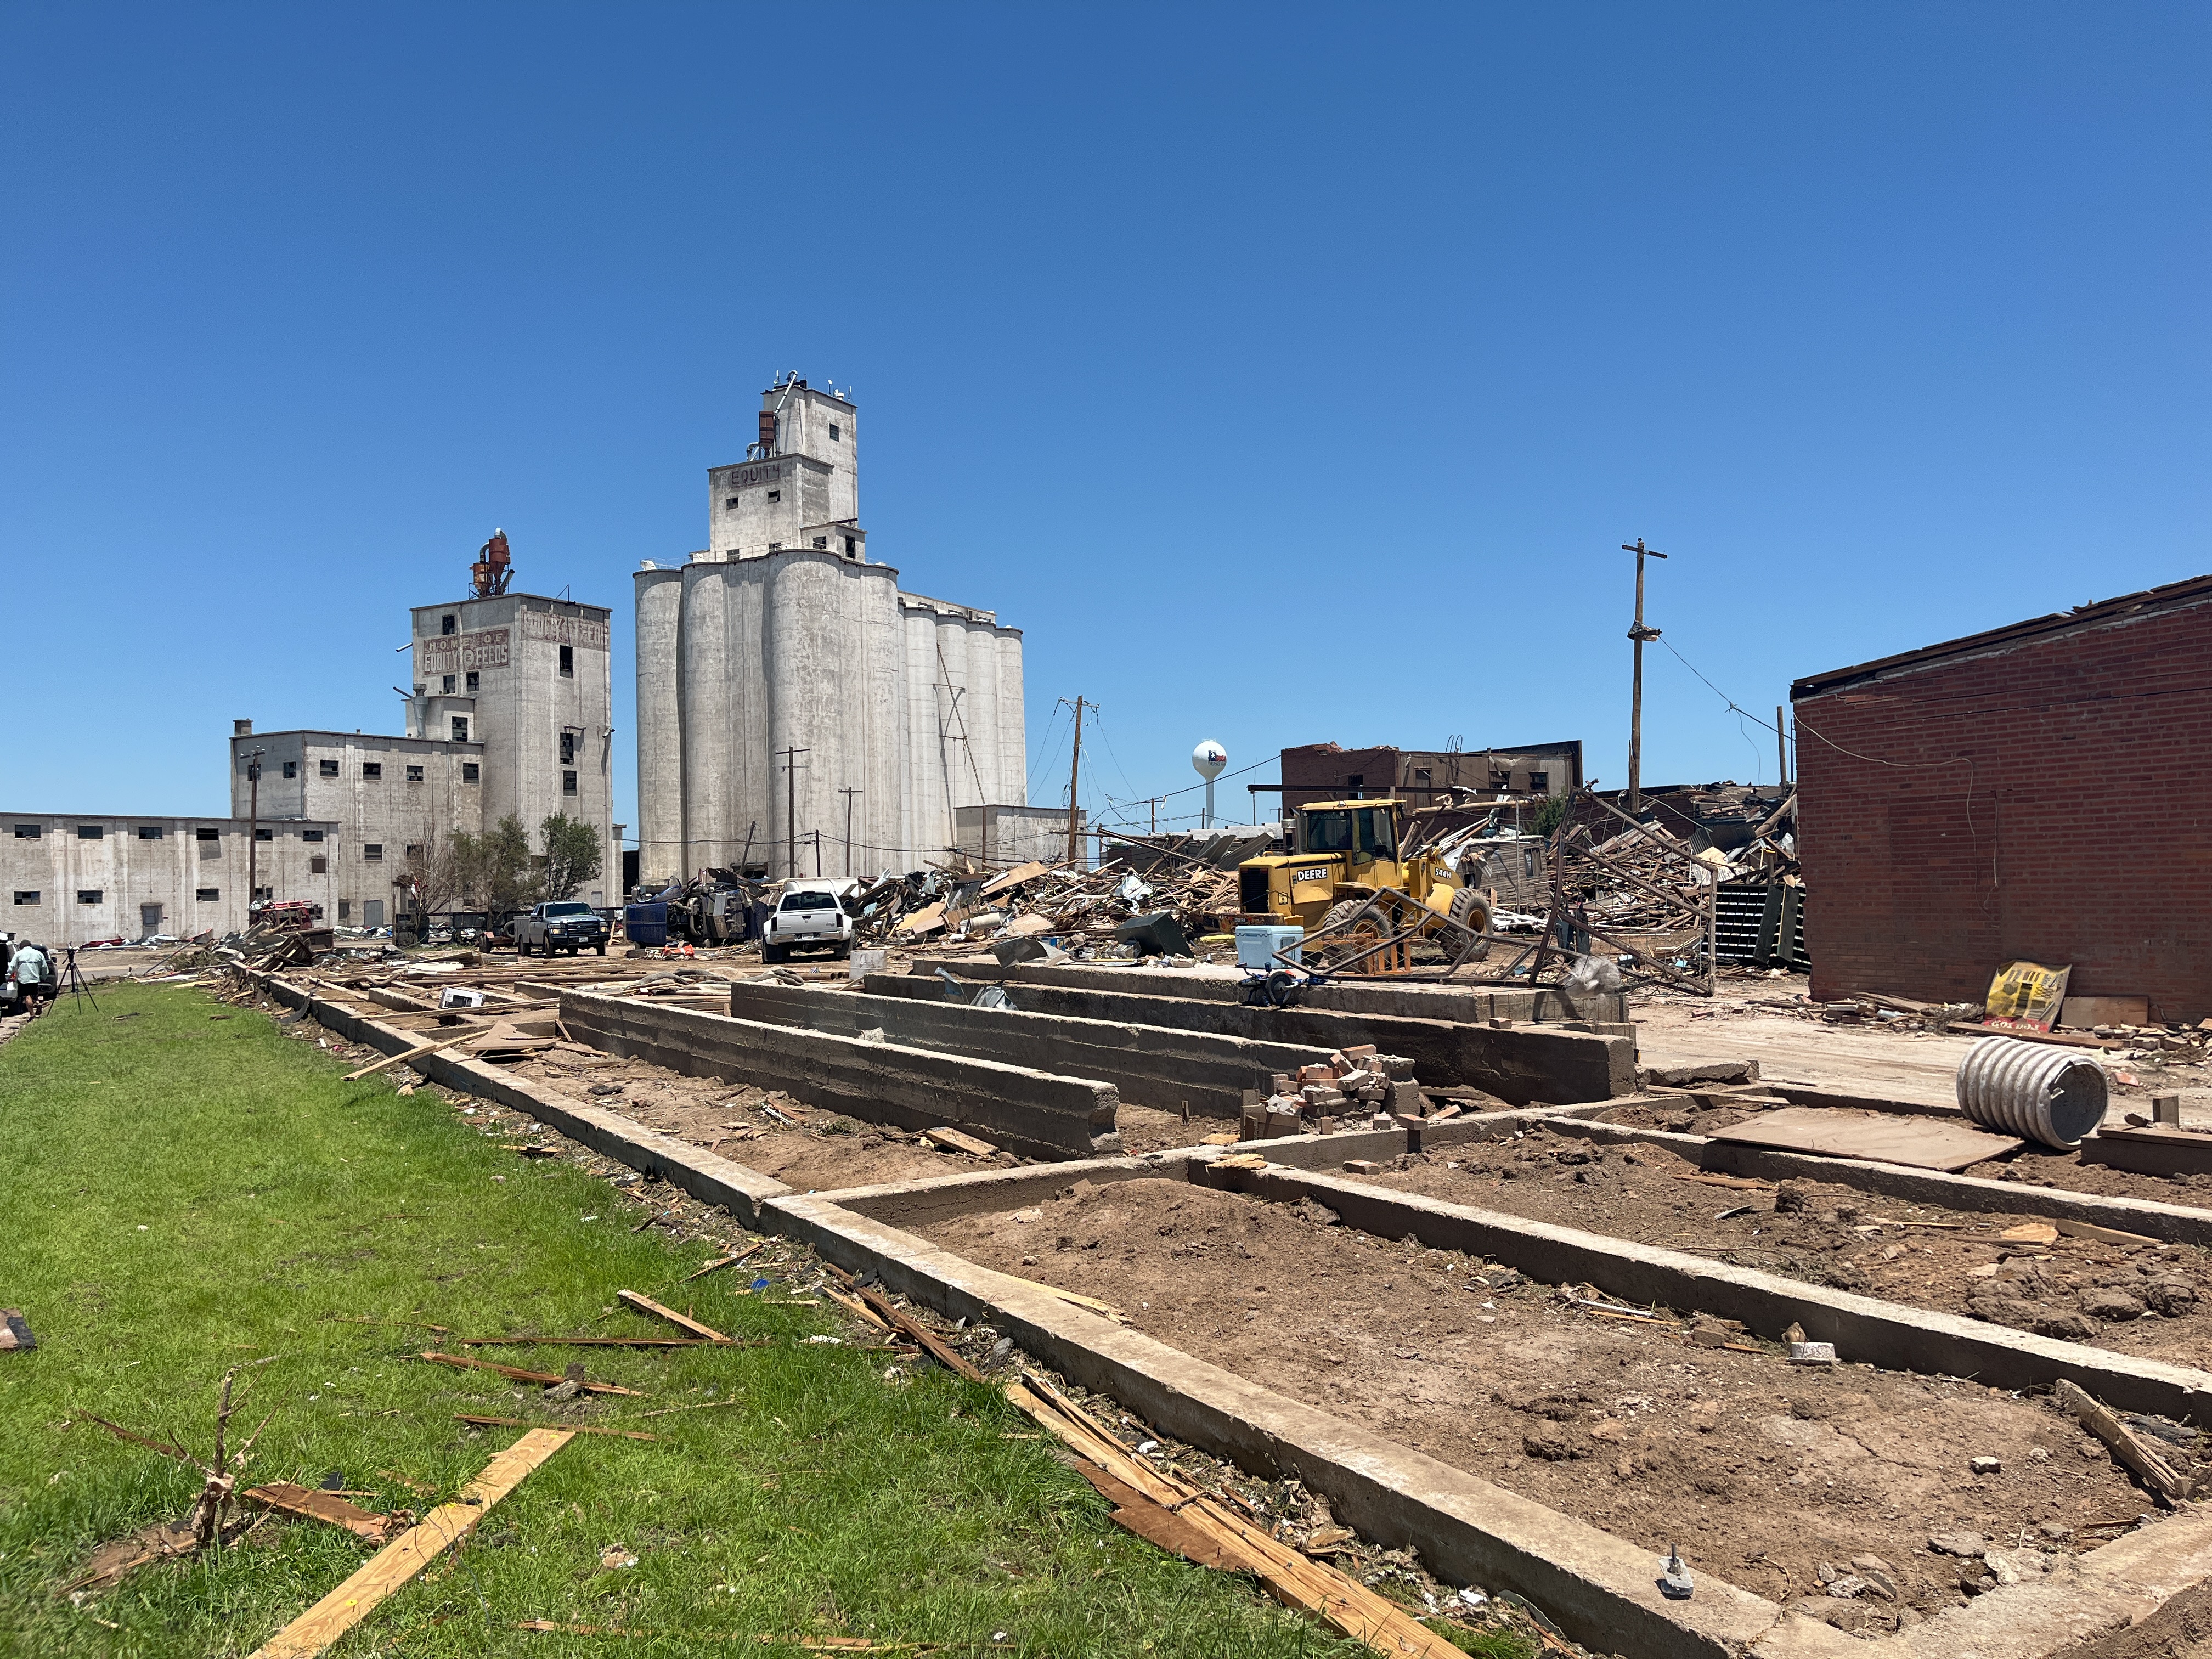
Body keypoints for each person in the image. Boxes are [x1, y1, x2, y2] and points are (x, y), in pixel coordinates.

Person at [9, 940, 52, 1014]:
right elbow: (44, 967)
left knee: (27, 996)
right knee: (34, 994)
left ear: (22, 946)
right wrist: (44, 977)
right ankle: (38, 1003)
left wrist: (9, 976)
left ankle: (32, 1015)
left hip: (23, 979)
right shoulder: (39, 954)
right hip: (35, 979)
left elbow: (12, 966)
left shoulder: (18, 954)